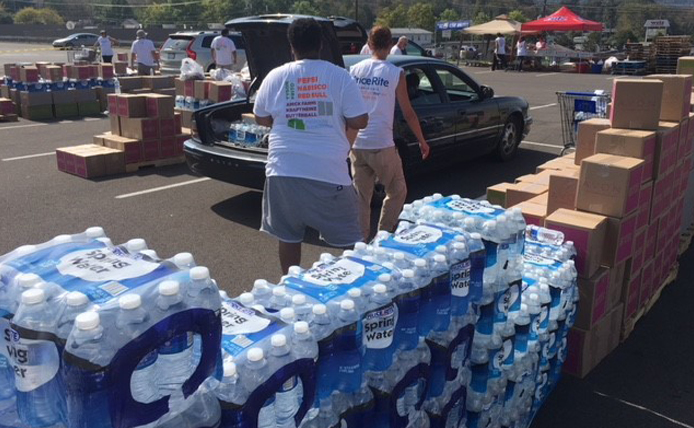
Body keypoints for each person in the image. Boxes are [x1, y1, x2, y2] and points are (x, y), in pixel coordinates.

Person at [253, 18, 369, 273]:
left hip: (282, 170)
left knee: (289, 236)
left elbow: (261, 117)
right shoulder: (340, 76)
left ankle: (290, 284)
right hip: (328, 171)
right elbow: (360, 120)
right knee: (352, 239)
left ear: (291, 47)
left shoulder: (276, 75)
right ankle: (355, 288)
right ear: (321, 44)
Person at [349, 26, 430, 241]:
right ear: (389, 45)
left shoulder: (355, 70)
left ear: (370, 43)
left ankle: (361, 241)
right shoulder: (395, 73)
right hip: (382, 143)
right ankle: (382, 236)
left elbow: (346, 108)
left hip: (357, 143)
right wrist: (422, 140)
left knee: (361, 197)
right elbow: (408, 112)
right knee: (397, 190)